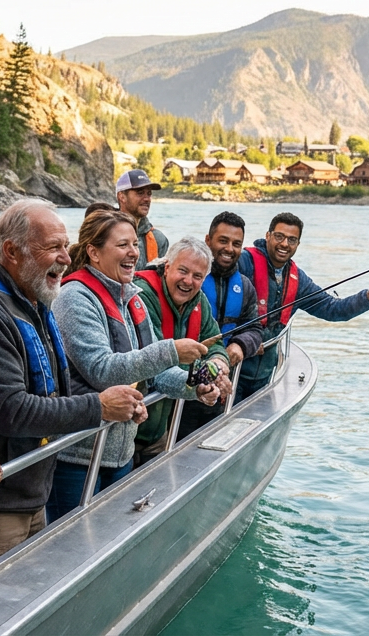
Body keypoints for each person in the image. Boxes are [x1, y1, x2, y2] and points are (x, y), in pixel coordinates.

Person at [0, 199, 146, 582]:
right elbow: (12, 411)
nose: (67, 258)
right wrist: (99, 407)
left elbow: (54, 394)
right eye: (54, 247)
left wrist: (122, 404)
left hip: (29, 494)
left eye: (66, 246)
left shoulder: (32, 303)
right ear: (12, 251)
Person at [49, 210, 218, 520]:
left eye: (135, 244)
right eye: (123, 245)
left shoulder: (133, 299)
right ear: (94, 252)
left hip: (119, 454)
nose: (133, 253)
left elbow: (154, 374)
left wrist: (195, 387)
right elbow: (101, 370)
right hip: (77, 457)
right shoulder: (74, 298)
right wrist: (171, 350)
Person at [237, 212, 369, 399]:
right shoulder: (244, 262)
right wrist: (244, 339)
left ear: (298, 244)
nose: (284, 244)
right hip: (234, 368)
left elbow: (333, 309)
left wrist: (368, 298)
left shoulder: (299, 280)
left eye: (292, 240)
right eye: (279, 236)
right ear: (268, 236)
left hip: (265, 377)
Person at [131, 236, 233, 461]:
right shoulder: (142, 296)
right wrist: (201, 384)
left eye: (197, 276)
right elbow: (155, 367)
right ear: (167, 268)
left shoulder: (199, 300)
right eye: (183, 271)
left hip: (160, 431)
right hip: (129, 425)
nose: (188, 281)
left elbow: (215, 341)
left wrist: (217, 366)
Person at [176, 212, 266, 439]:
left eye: (236, 244)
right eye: (223, 241)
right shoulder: (188, 279)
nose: (229, 249)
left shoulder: (245, 287)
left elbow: (255, 328)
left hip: (223, 383)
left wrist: (240, 346)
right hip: (181, 385)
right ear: (208, 241)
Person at [115, 169, 167, 269]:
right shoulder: (105, 235)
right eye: (140, 193)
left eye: (149, 193)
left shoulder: (159, 239)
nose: (147, 199)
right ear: (122, 196)